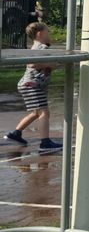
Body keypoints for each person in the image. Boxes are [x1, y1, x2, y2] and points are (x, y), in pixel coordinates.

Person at [5, 22, 63, 151]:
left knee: (36, 112)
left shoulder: (37, 46)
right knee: (44, 113)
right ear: (40, 34)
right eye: (47, 32)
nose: (50, 35)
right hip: (32, 84)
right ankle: (45, 143)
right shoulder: (41, 47)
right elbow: (32, 63)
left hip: (30, 84)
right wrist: (53, 64)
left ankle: (16, 133)